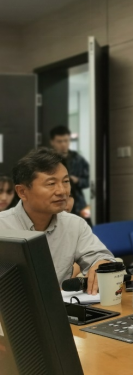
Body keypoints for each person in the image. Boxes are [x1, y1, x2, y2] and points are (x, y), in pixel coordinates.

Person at [0, 148, 114, 294]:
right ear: (22, 192)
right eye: (51, 183)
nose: (62, 191)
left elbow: (100, 257)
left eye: (66, 181)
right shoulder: (3, 226)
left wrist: (102, 264)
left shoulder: (74, 224)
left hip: (61, 306)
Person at [50, 125, 91, 221]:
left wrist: (77, 181)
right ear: (52, 142)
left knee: (84, 226)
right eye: (59, 141)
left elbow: (89, 181)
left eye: (66, 140)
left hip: (78, 202)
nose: (63, 144)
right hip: (55, 200)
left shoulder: (78, 159)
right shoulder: (48, 160)